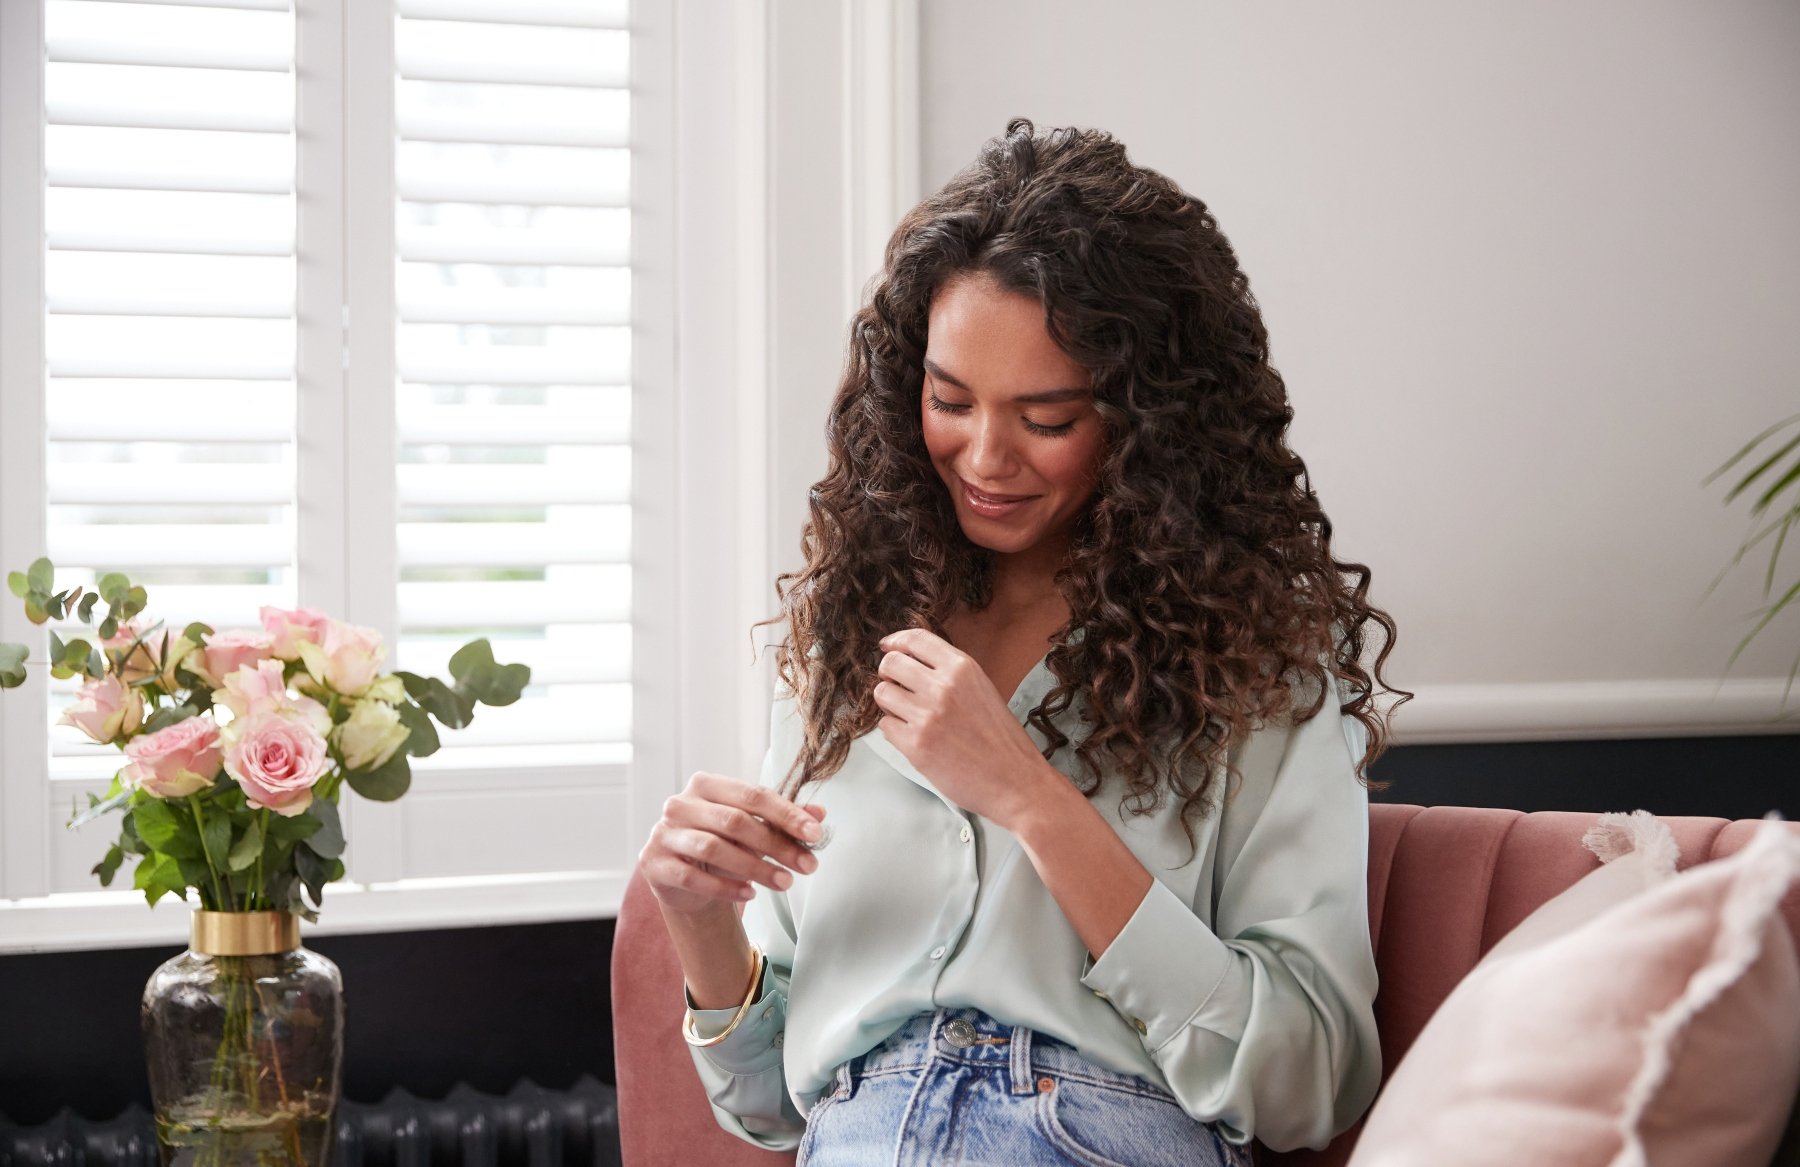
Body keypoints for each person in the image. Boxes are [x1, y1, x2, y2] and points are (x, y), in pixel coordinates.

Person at [638, 118, 1411, 1166]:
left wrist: (1032, 801)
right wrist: (698, 921)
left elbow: (1309, 1077)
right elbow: (772, 1105)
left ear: (1150, 423)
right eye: (950, 400)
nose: (985, 457)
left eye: (1046, 419)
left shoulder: (1258, 672)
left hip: (1094, 1132)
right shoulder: (850, 644)